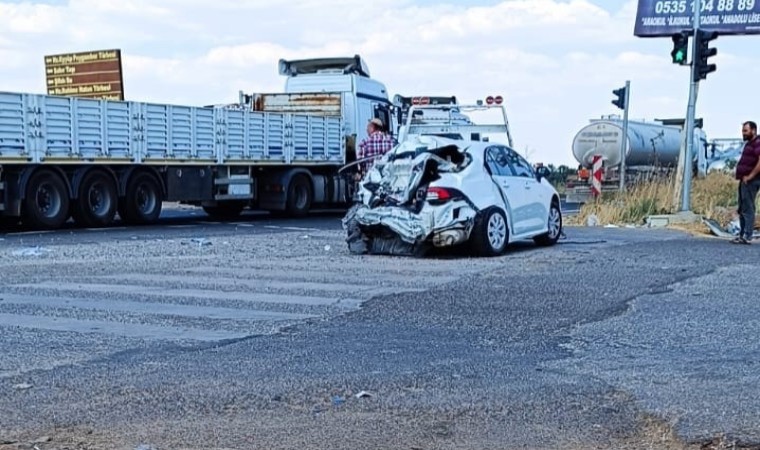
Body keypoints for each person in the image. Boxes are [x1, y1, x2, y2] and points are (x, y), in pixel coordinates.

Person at [732, 120, 760, 244]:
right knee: (742, 207)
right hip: (744, 180)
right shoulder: (749, 143)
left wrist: (750, 176)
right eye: (742, 131)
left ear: (753, 130)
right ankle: (742, 234)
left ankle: (747, 235)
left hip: (751, 180)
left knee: (748, 208)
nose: (743, 133)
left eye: (745, 131)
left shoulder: (757, 142)